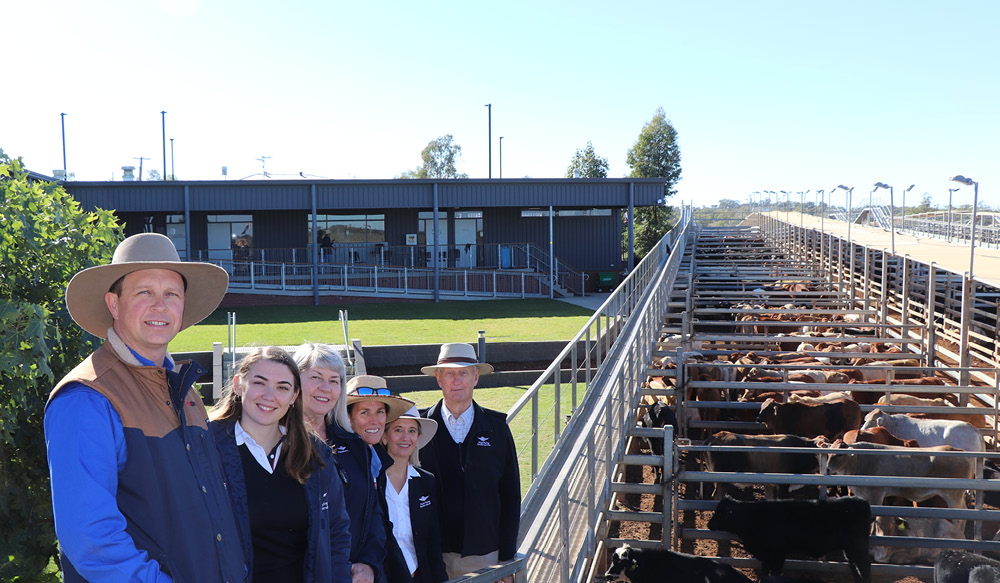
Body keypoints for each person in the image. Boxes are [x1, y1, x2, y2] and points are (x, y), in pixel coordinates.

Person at [44, 232, 246, 582]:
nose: (160, 306)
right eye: (144, 293)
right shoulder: (87, 397)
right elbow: (91, 540)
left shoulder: (184, 389)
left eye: (171, 294)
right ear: (113, 304)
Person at [210, 346, 352, 583]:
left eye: (282, 387)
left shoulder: (315, 454)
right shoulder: (206, 448)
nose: (269, 395)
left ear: (294, 396)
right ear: (237, 384)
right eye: (259, 383)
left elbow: (337, 533)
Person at [418, 343, 521, 581]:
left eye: (463, 373)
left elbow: (510, 495)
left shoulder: (497, 429)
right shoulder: (418, 428)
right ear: (438, 378)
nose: (457, 380)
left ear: (475, 378)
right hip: (431, 556)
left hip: (484, 556)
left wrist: (506, 558)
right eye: (450, 373)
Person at [293, 343, 386, 583]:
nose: (326, 388)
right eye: (316, 377)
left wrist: (369, 564)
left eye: (334, 380)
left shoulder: (355, 446)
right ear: (294, 380)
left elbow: (372, 512)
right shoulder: (277, 443)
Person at [378, 406, 449, 583]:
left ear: (417, 438)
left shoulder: (426, 481)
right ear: (385, 437)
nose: (405, 437)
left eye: (412, 431)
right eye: (398, 430)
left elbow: (433, 541)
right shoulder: (372, 481)